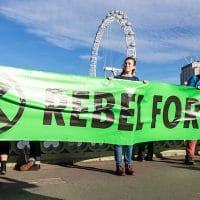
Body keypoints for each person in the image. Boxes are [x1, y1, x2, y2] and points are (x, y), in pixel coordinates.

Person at [109, 56, 146, 176]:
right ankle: (119, 166)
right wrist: (109, 81)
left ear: (134, 67)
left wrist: (146, 85)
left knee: (129, 141)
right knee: (118, 141)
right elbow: (110, 90)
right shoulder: (117, 78)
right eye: (125, 63)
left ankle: (128, 165)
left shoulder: (136, 80)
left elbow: (142, 93)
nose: (127, 65)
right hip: (119, 113)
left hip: (131, 114)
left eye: (129, 64)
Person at [184, 74, 200, 165]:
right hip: (194, 111)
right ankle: (189, 156)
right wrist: (195, 90)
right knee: (193, 135)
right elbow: (187, 92)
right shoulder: (194, 78)